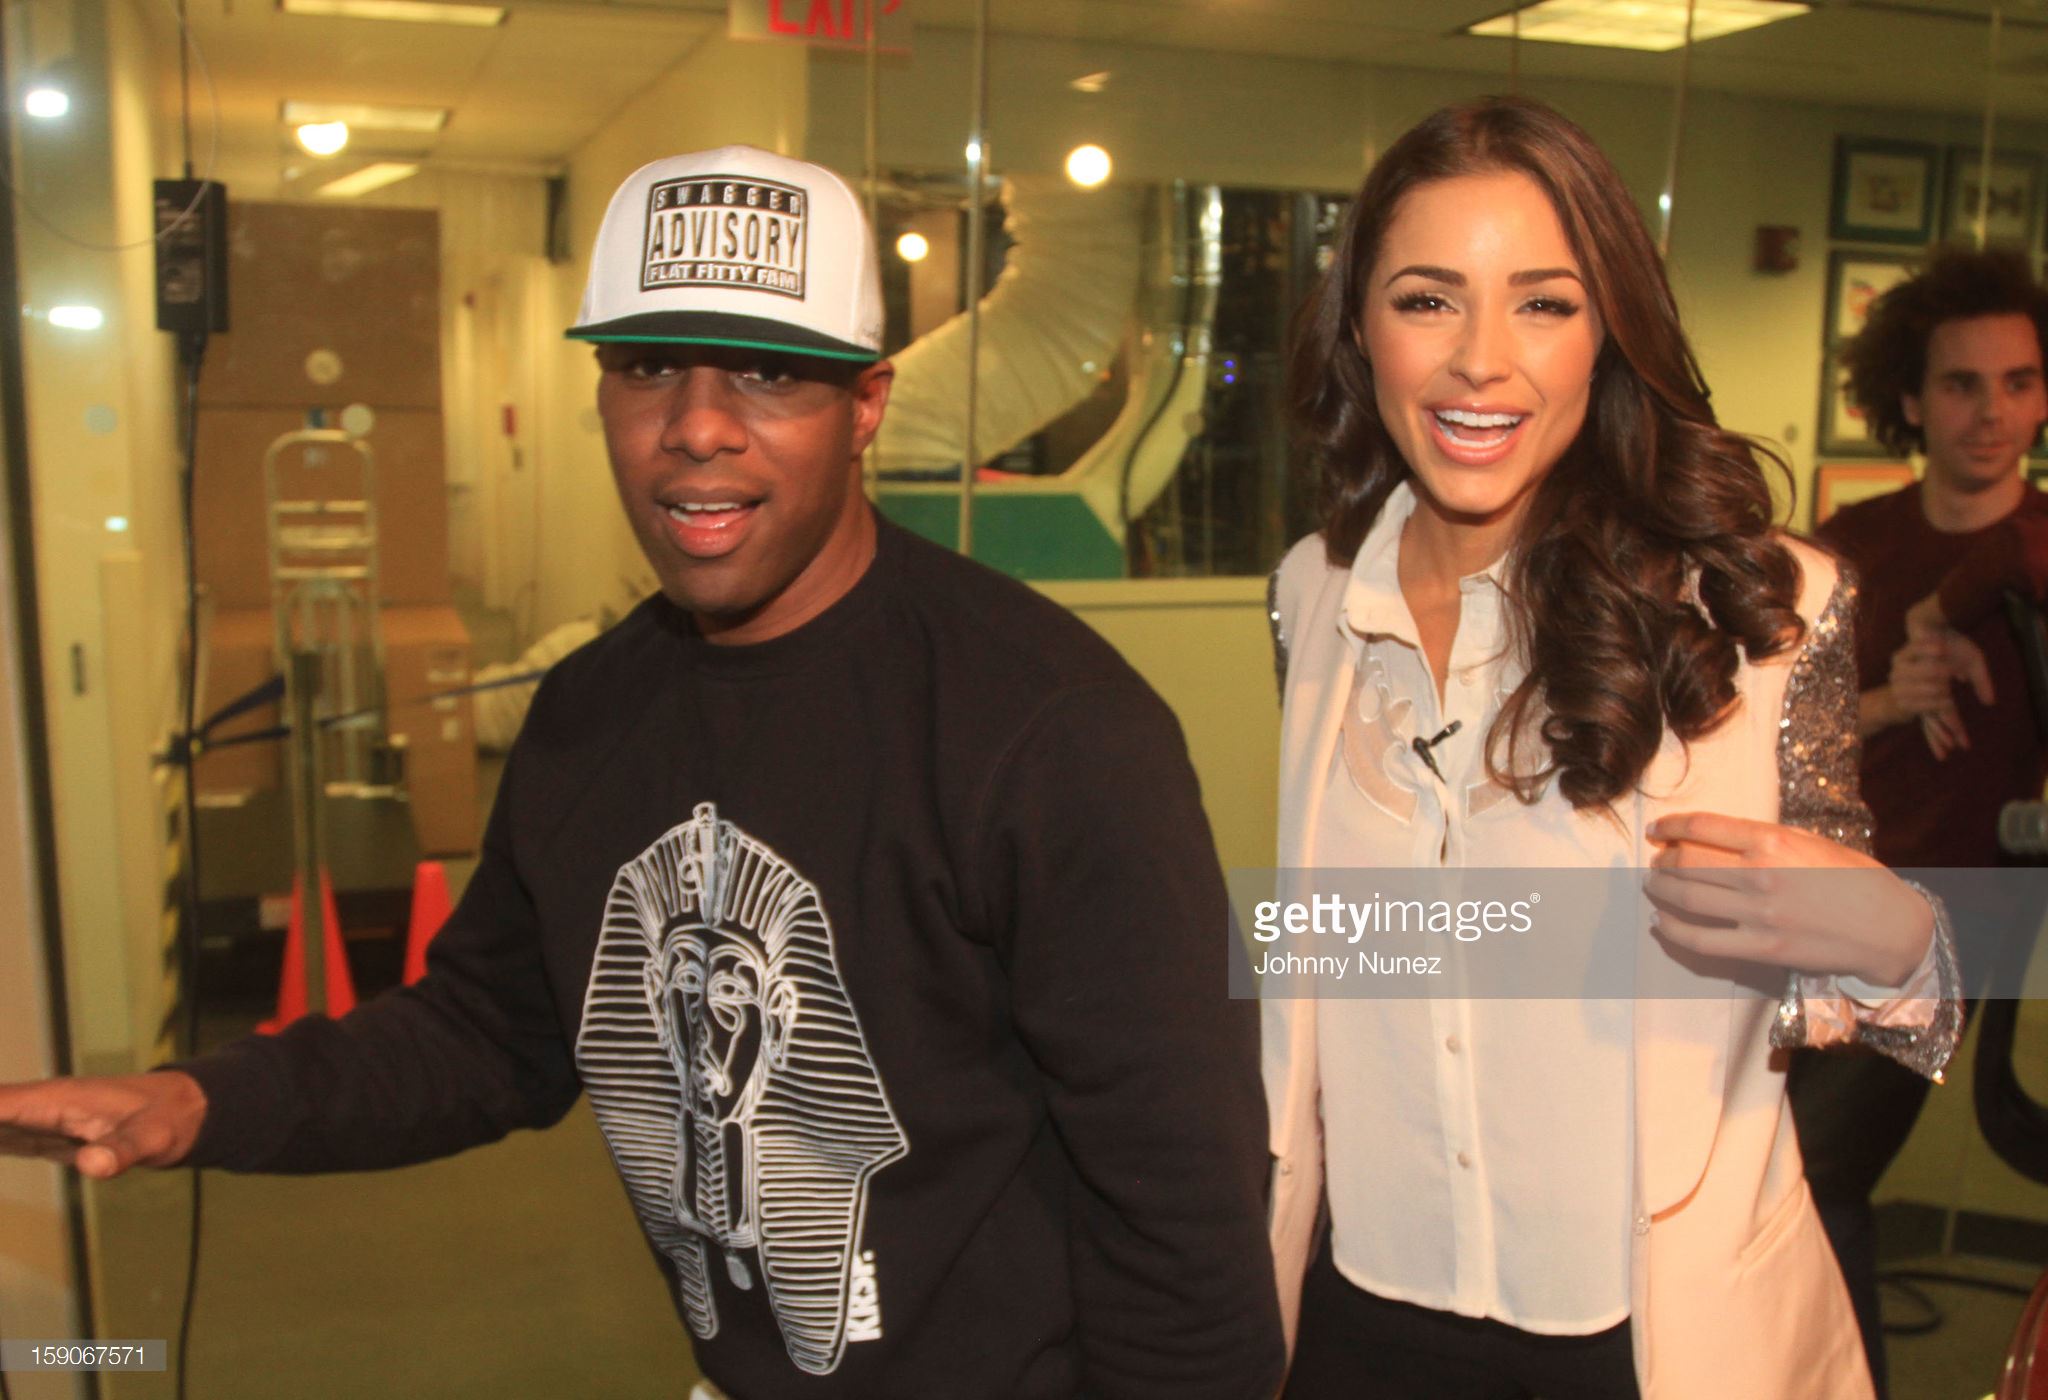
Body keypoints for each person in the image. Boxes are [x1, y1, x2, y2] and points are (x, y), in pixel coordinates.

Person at [0, 147, 1285, 1398]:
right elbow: (491, 1029)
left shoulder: (1051, 730)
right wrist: (200, 1099)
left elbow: (1179, 1206)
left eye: (768, 374)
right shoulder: (589, 714)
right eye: (648, 367)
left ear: (866, 406)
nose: (697, 427)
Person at [1262, 97, 1962, 1400]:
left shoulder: (1763, 610)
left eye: (1543, 303)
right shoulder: (1311, 593)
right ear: (1358, 326)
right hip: (1358, 1316)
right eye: (1426, 300)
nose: (1482, 360)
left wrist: (1896, 936)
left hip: (1657, 1342)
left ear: (1609, 332)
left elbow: (1875, 994)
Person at [1789, 246, 2048, 1398]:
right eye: (1959, 383)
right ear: (1908, 395)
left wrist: (1950, 604)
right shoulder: (1850, 548)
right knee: (1775, 1173)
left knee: (1815, 1170)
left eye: (2016, 381)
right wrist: (1892, 693)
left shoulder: (2034, 548)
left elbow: (2016, 551)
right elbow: (1772, 739)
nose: (1990, 411)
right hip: (1821, 898)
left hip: (1957, 918)